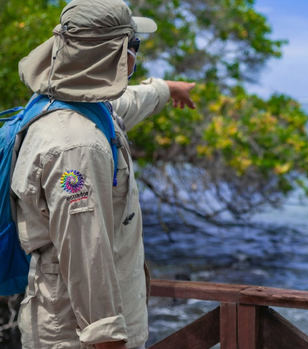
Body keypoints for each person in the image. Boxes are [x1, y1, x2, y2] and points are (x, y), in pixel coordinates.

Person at [11, 0, 196, 348]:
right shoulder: (77, 147)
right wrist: (108, 338)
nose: (134, 56)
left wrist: (167, 88)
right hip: (76, 336)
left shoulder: (70, 104)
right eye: (133, 45)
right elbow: (84, 254)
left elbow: (128, 102)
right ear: (119, 54)